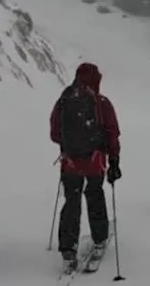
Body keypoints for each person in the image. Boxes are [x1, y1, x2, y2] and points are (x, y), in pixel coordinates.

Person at [50, 62, 121, 272]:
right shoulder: (102, 103)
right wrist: (114, 160)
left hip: (70, 162)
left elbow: (54, 133)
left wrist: (70, 145)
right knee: (95, 196)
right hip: (95, 162)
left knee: (71, 202)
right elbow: (112, 134)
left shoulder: (63, 101)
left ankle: (68, 249)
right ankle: (99, 238)